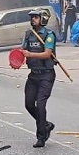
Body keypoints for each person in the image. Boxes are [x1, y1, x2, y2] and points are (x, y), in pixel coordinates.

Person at [21, 8, 57, 148]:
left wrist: (30, 55)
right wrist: (16, 60)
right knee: (29, 104)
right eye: (32, 17)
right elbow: (22, 51)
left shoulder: (49, 35)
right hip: (33, 75)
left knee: (40, 105)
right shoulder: (28, 34)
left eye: (35, 17)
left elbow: (47, 54)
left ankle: (41, 137)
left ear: (42, 19)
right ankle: (46, 124)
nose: (33, 20)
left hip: (46, 75)